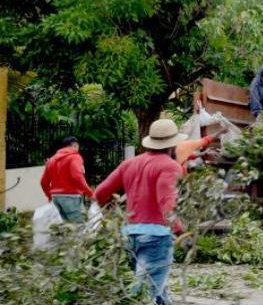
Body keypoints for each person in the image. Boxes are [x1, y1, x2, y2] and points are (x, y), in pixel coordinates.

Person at [94, 119, 187, 305]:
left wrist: (112, 207)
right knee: (144, 294)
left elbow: (100, 193)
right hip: (156, 238)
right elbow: (167, 207)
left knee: (155, 288)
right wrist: (182, 232)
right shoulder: (170, 166)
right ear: (173, 144)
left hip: (129, 236)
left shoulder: (129, 164)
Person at [40, 136, 94, 223]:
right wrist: (90, 193)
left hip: (55, 198)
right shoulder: (75, 157)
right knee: (78, 227)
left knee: (65, 227)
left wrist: (49, 195)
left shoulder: (52, 160)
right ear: (75, 145)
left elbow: (43, 182)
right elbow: (77, 177)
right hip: (71, 197)